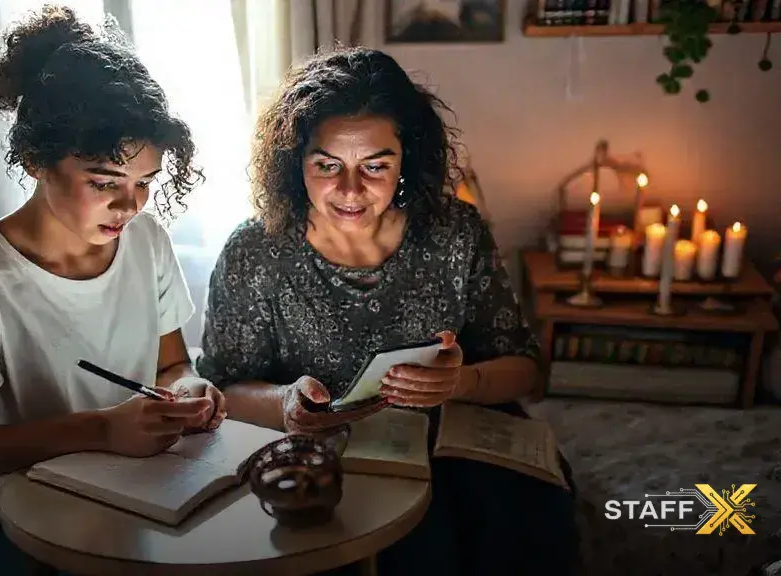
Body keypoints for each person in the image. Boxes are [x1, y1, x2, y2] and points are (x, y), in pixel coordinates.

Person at [196, 46, 579, 576]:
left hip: (453, 439)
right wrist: (284, 402)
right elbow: (223, 388)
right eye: (327, 165)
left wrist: (459, 384)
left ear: (407, 159)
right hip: (321, 453)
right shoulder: (255, 251)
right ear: (293, 162)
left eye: (376, 166)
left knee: (525, 529)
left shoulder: (455, 232)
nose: (351, 190)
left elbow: (524, 368)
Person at [0, 6, 226, 575]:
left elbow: (171, 366)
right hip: (8, 513)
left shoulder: (146, 242)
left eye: (144, 183)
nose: (129, 205)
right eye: (103, 182)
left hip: (125, 485)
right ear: (37, 161)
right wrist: (101, 429)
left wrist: (190, 389)